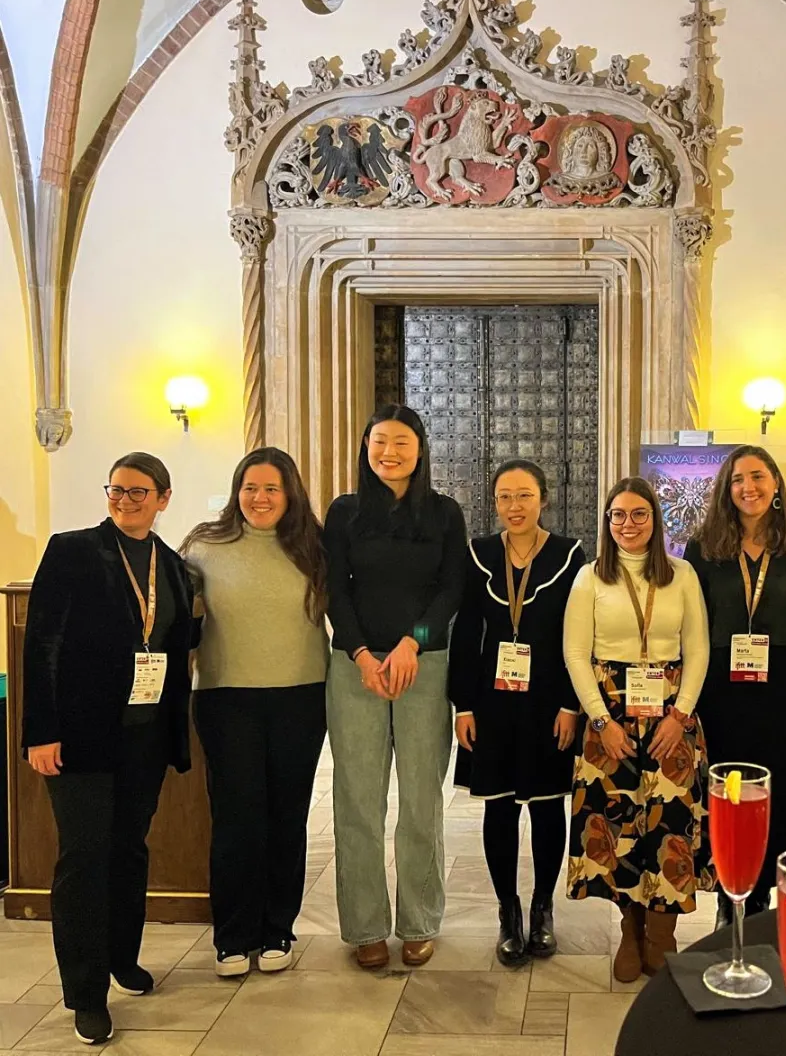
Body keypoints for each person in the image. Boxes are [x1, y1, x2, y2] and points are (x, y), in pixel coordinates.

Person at [23, 453, 197, 1046]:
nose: (125, 501)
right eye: (116, 490)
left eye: (138, 493)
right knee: (85, 857)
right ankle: (86, 993)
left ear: (163, 499)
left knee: (128, 851)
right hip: (79, 738)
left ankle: (123, 957)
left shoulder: (173, 567)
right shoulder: (71, 551)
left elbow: (173, 642)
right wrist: (39, 732)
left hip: (143, 739)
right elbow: (42, 644)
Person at [323, 404, 469, 968]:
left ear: (420, 448)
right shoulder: (345, 512)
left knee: (420, 800)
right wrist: (361, 653)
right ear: (365, 447)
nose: (390, 452)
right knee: (357, 801)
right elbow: (336, 588)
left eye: (401, 442)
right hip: (355, 668)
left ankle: (419, 920)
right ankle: (364, 927)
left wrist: (413, 643)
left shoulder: (444, 513)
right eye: (379, 441)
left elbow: (450, 589)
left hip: (423, 667)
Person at [181, 447, 329, 977]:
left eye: (271, 488)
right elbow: (175, 616)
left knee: (286, 816)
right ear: (235, 491)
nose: (259, 498)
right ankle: (232, 936)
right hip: (225, 698)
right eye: (250, 487)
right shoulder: (204, 543)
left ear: (290, 492)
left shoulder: (314, 545)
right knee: (236, 818)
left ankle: (276, 930)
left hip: (301, 696)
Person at [564, 477, 713, 984]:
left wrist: (681, 714)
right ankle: (630, 930)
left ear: (656, 519)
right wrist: (601, 721)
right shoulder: (590, 578)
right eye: (618, 515)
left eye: (639, 514)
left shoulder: (683, 575)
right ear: (607, 523)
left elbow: (699, 649)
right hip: (609, 714)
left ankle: (662, 933)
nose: (629, 524)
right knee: (617, 826)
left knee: (670, 824)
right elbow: (574, 655)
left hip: (672, 713)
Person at [684, 445, 786, 922]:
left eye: (757, 477)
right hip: (720, 694)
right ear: (726, 491)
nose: (748, 487)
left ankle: (766, 899)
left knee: (781, 797)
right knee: (726, 795)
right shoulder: (702, 549)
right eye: (737, 480)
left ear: (775, 485)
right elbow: (691, 626)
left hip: (783, 693)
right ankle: (730, 894)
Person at [450, 459, 586, 967]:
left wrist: (572, 703)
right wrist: (463, 704)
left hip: (551, 702)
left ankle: (542, 908)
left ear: (543, 499)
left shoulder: (571, 555)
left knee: (549, 806)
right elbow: (465, 634)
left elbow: (579, 635)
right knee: (500, 806)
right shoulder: (479, 554)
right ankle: (508, 912)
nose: (514, 506)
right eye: (505, 497)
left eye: (524, 495)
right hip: (492, 701)